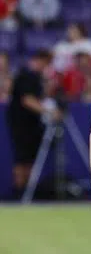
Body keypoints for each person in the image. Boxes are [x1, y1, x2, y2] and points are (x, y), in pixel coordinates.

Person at [6, 50, 57, 199]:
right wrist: (48, 112)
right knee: (22, 160)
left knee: (28, 160)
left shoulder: (37, 78)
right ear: (39, 60)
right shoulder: (26, 75)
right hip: (21, 125)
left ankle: (26, 193)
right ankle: (19, 194)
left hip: (31, 126)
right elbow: (27, 100)